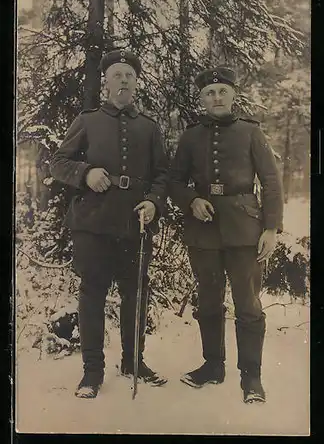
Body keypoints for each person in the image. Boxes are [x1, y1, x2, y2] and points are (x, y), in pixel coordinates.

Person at [50, 49, 169, 398]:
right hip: (93, 224)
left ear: (136, 83)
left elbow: (162, 174)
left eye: (129, 75)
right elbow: (58, 162)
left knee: (135, 296)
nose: (124, 81)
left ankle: (133, 362)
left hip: (135, 225)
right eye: (117, 75)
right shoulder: (87, 121)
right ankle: (92, 372)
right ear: (106, 81)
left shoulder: (149, 127)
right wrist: (86, 173)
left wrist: (153, 201)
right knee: (92, 297)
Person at [169, 66, 284, 403]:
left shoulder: (250, 132)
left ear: (233, 95)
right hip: (203, 229)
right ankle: (212, 366)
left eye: (222, 92)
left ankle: (251, 378)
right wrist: (192, 201)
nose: (216, 98)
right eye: (209, 93)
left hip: (245, 228)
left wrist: (271, 228)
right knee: (208, 299)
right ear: (201, 98)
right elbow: (174, 181)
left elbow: (272, 181)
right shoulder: (190, 136)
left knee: (247, 302)